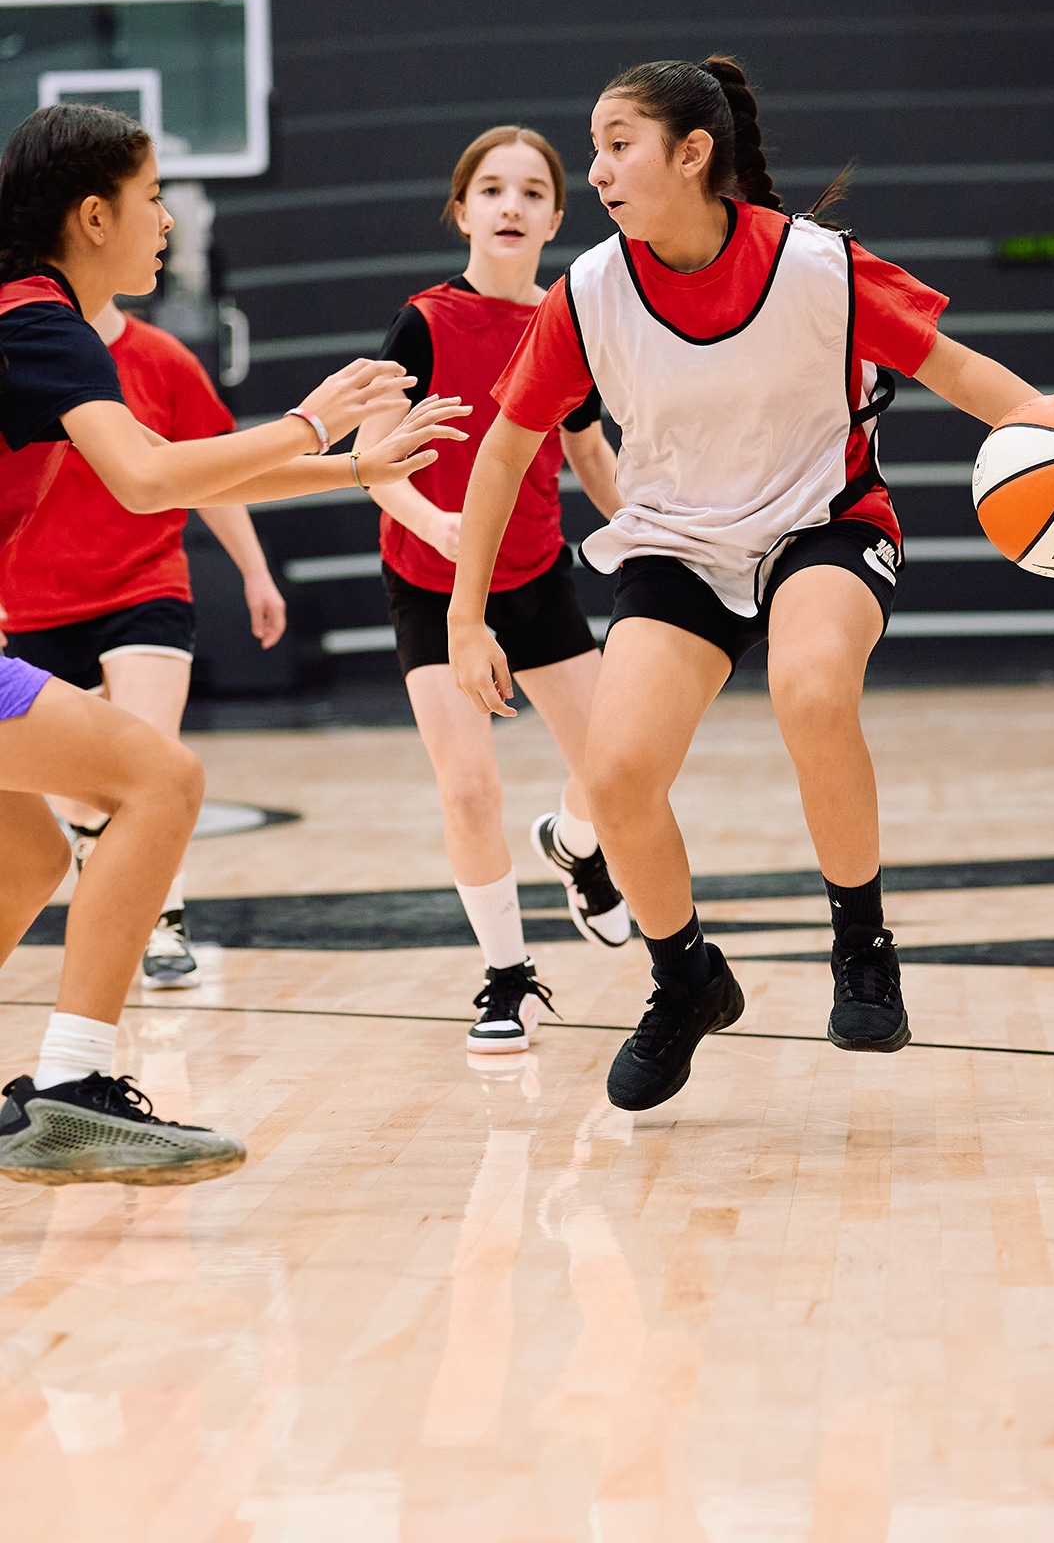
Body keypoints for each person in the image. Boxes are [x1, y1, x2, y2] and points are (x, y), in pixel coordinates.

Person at [447, 57, 1039, 1110]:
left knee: (813, 692)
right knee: (618, 776)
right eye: (593, 149)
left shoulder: (818, 268)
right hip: (681, 541)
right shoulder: (591, 289)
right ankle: (687, 979)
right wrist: (463, 609)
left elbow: (958, 370)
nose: (597, 172)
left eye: (618, 144)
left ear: (692, 153)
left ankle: (862, 946)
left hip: (826, 522)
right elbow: (503, 449)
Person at [0, 102, 468, 1183]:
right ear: (91, 214)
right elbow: (153, 481)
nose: (169, 220)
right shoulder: (37, 320)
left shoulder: (37, 314)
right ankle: (72, 1089)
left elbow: (179, 459)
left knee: (27, 852)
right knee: (160, 778)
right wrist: (315, 424)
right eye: (155, 196)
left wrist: (357, 470)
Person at [355, 125, 630, 1057]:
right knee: (469, 788)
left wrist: (644, 533)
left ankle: (580, 850)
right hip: (430, 582)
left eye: (530, 192)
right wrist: (426, 518)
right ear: (463, 210)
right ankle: (507, 975)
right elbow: (374, 458)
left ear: (557, 215)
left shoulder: (569, 321)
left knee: (618, 762)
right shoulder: (424, 322)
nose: (510, 205)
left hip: (536, 573)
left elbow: (588, 448)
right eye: (491, 190)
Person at [0, 294, 288, 991]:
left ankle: (165, 918)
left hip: (144, 584)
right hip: (38, 595)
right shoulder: (26, 346)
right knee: (76, 799)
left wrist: (255, 570)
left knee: (152, 755)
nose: (160, 223)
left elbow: (213, 472)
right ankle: (111, 891)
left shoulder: (161, 358)